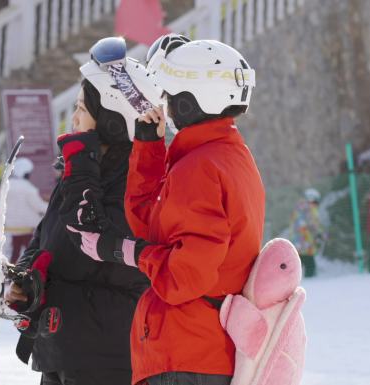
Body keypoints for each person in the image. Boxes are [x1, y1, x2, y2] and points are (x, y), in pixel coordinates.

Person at [66, 35, 265, 385]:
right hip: (191, 353)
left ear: (192, 101)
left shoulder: (199, 170)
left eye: (171, 96)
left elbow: (185, 278)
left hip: (186, 355)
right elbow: (152, 226)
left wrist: (124, 250)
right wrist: (148, 146)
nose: (167, 106)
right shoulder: (225, 157)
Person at [4, 37, 158, 385]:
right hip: (60, 346)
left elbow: (89, 242)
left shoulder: (137, 180)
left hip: (106, 355)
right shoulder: (79, 173)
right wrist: (27, 280)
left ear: (113, 121)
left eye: (82, 110)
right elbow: (45, 238)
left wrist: (82, 161)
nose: (73, 119)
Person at [6, 157, 47, 264]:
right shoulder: (28, 189)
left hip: (12, 225)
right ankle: (31, 272)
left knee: (15, 251)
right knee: (32, 252)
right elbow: (38, 206)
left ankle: (11, 272)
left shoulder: (7, 185)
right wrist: (51, 207)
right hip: (26, 226)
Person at [288, 188, 324, 277]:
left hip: (297, 241)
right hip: (307, 241)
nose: (316, 204)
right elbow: (313, 224)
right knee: (310, 264)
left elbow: (293, 224)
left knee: (298, 263)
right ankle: (311, 279)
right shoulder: (311, 209)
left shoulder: (297, 208)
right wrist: (320, 234)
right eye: (316, 202)